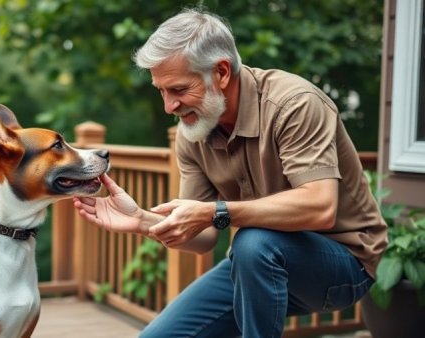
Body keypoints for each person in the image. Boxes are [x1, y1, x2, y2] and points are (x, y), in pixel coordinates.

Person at [73, 8, 387, 338]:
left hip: (344, 264)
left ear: (221, 72)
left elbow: (321, 207)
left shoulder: (294, 104)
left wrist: (216, 212)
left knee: (253, 242)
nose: (169, 106)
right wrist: (144, 221)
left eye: (178, 90)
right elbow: (203, 238)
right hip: (256, 266)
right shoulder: (193, 130)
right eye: (161, 91)